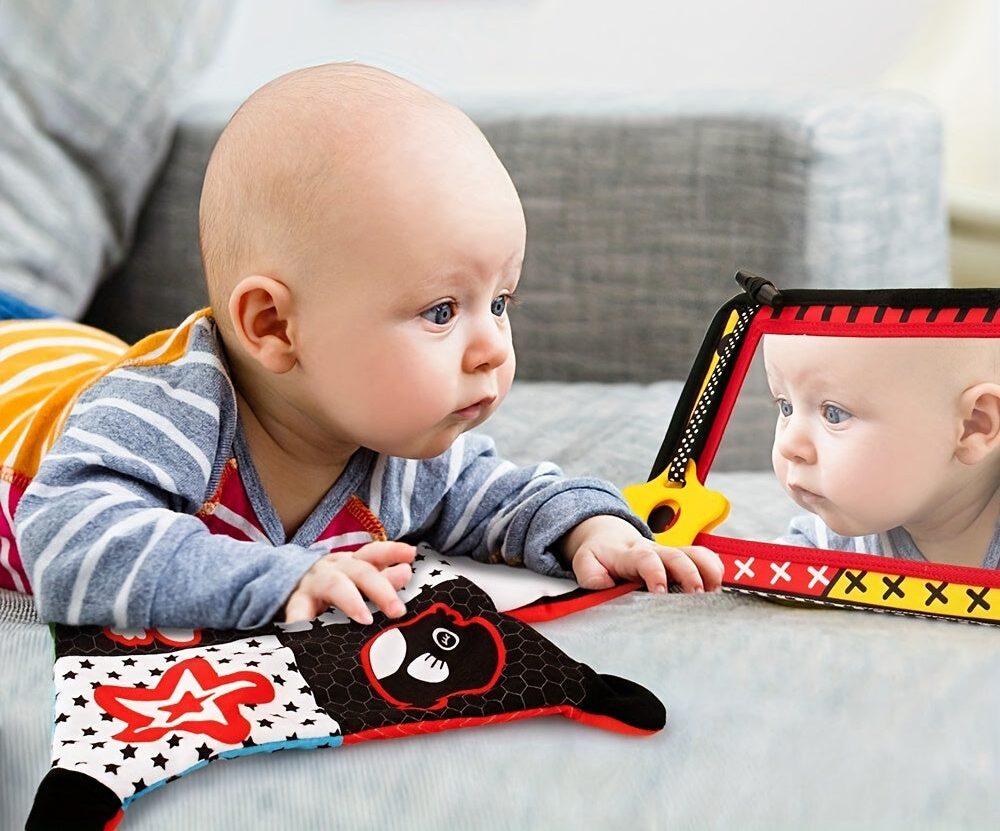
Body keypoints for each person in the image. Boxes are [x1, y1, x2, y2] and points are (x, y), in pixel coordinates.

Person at [6, 63, 723, 631]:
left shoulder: (402, 452)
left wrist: (593, 529)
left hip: (78, 348)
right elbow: (70, 548)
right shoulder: (167, 419)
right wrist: (276, 577)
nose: (493, 351)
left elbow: (500, 494)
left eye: (500, 302)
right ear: (274, 328)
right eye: (442, 311)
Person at [763, 332, 1000, 568]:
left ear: (973, 425)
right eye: (786, 407)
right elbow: (763, 572)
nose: (788, 445)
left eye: (834, 414)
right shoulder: (826, 550)